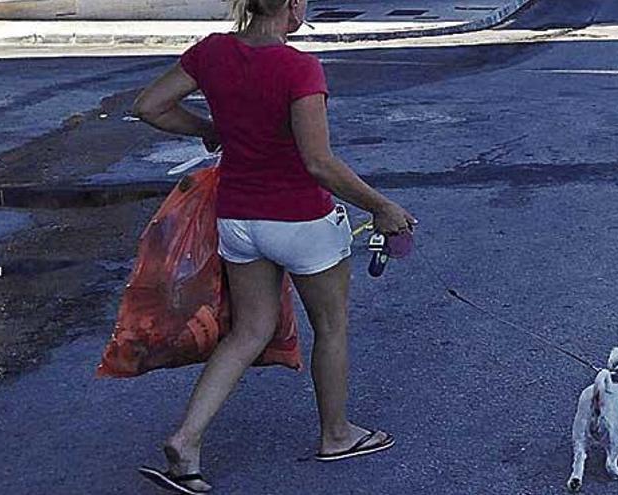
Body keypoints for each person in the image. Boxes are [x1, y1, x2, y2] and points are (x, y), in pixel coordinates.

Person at [131, 0, 416, 492]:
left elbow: (149, 106)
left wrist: (207, 129)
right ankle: (336, 434)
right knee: (331, 326)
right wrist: (382, 207)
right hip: (300, 221)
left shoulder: (212, 53)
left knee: (249, 331)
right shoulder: (297, 66)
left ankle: (186, 438)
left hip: (238, 220)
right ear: (293, 5)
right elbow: (319, 163)